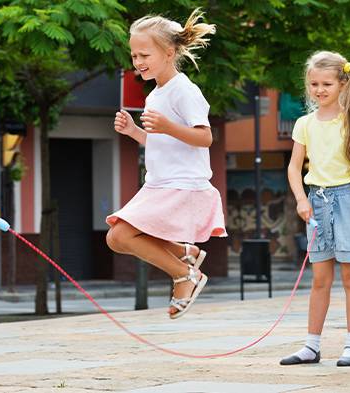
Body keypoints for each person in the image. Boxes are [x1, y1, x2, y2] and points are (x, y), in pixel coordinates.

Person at [106, 8, 226, 319]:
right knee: (117, 239)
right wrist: (135, 132)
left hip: (181, 184)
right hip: (160, 182)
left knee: (119, 235)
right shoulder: (156, 94)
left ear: (169, 53)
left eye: (144, 54)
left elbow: (205, 138)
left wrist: (167, 126)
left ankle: (186, 274)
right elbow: (164, 143)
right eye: (134, 55)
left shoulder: (184, 90)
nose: (138, 61)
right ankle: (187, 255)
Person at [279, 51, 350, 367]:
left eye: (327, 83)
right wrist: (301, 199)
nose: (319, 89)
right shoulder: (304, 123)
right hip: (317, 201)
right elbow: (293, 167)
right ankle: (311, 345)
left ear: (341, 83)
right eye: (314, 84)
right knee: (319, 278)